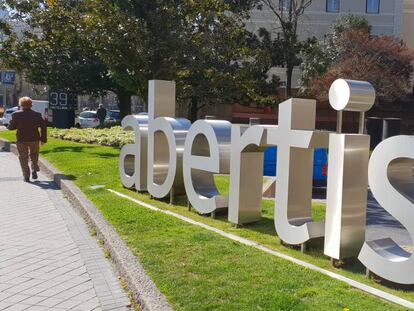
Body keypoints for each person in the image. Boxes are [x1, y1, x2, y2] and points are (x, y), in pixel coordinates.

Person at [8, 97, 47, 182]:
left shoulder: (15, 114)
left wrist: (9, 125)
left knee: (23, 158)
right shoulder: (37, 114)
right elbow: (43, 127)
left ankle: (26, 176)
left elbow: (11, 127)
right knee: (34, 155)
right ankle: (34, 169)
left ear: (21, 104)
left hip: (21, 139)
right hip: (34, 139)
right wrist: (43, 139)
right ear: (31, 104)